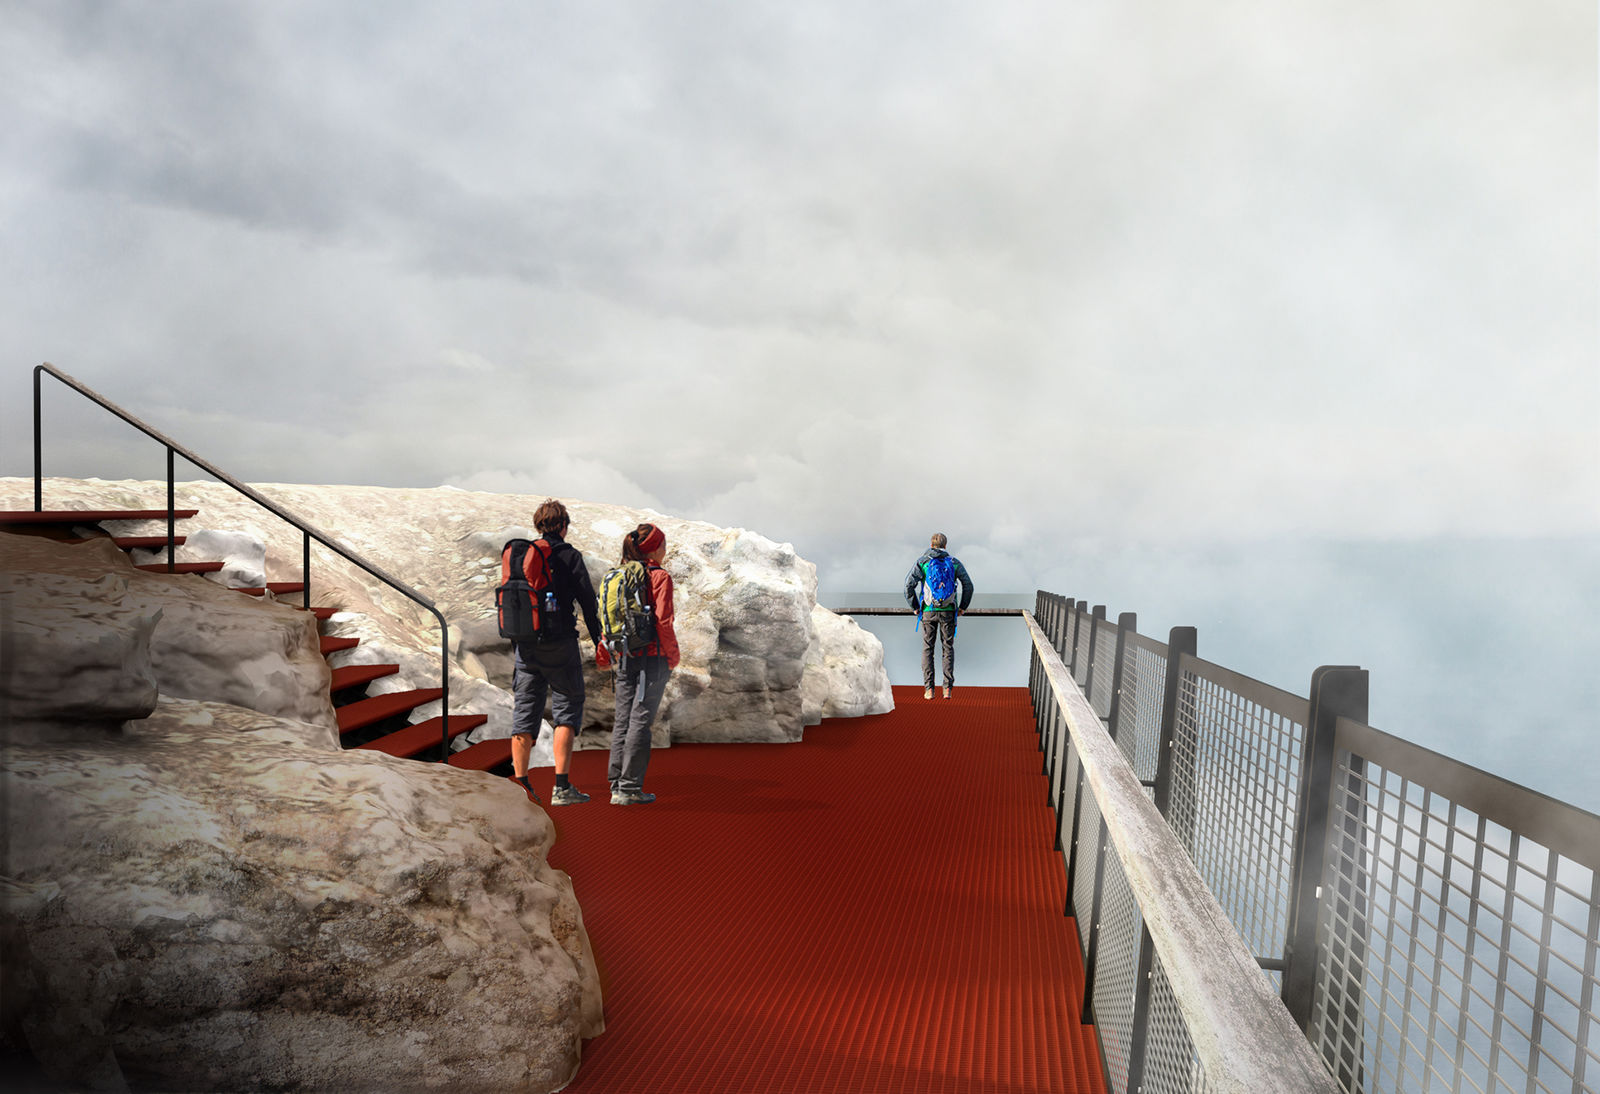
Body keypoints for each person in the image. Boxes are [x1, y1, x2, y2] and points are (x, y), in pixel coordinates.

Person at [510, 499, 606, 806]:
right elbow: (588, 602)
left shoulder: (522, 554)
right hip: (561, 643)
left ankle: (521, 786)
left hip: (526, 645)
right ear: (563, 525)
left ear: (538, 524)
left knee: (525, 711)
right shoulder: (568, 555)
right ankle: (561, 787)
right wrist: (600, 638)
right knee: (567, 706)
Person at [596, 522, 678, 805]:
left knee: (623, 720)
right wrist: (673, 655)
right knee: (641, 721)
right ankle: (629, 788)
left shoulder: (619, 575)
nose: (665, 551)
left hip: (625, 654)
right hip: (652, 658)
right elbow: (663, 622)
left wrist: (605, 650)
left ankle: (616, 782)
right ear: (655, 549)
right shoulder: (659, 577)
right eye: (664, 546)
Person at [903, 532, 974, 699]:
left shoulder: (923, 562)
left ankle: (929, 689)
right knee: (947, 648)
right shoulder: (954, 563)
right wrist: (963, 607)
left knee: (928, 649)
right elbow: (968, 585)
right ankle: (947, 689)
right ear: (945, 545)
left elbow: (908, 586)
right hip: (948, 611)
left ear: (931, 544)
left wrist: (915, 607)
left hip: (928, 611)